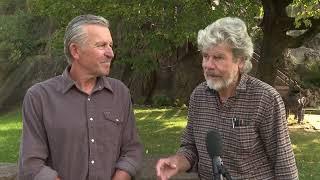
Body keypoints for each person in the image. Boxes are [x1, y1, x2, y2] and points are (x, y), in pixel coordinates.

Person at [156, 17, 298, 180]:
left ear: (240, 61)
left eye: (218, 58)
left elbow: (284, 166)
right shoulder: (198, 96)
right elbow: (191, 148)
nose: (208, 65)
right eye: (205, 56)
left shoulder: (265, 99)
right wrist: (177, 162)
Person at [18, 14, 143, 180]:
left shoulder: (120, 93)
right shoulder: (39, 97)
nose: (111, 53)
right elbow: (31, 164)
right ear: (75, 50)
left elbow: (132, 151)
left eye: (111, 45)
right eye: (101, 45)